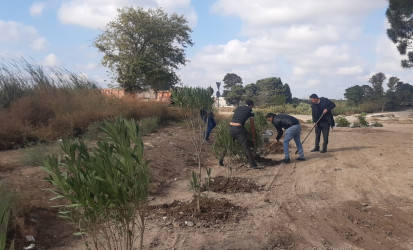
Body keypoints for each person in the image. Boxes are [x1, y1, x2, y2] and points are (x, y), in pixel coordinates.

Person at [219, 100, 259, 168]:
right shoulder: (251, 111)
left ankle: (220, 161)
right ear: (252, 105)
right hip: (239, 129)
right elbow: (252, 126)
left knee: (227, 144)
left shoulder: (238, 108)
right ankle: (252, 164)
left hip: (231, 128)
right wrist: (253, 137)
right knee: (246, 147)